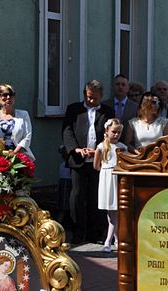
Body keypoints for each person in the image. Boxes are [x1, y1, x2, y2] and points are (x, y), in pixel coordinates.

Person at [62, 79, 115, 245]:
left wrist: (99, 149)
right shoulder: (74, 109)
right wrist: (76, 149)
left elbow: (111, 134)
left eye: (95, 98)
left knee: (95, 195)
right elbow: (67, 131)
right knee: (77, 195)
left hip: (98, 160)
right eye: (89, 97)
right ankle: (78, 231)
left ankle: (95, 232)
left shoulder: (107, 111)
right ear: (85, 94)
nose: (91, 100)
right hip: (79, 159)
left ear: (101, 96)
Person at [94, 118, 125, 253]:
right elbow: (96, 165)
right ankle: (116, 239)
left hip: (117, 178)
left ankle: (108, 241)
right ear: (107, 130)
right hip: (107, 178)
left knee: (115, 212)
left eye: (119, 132)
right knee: (111, 211)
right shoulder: (101, 147)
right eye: (114, 132)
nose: (116, 135)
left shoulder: (122, 147)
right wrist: (106, 171)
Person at [0, 84, 34, 159]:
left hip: (20, 157)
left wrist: (13, 154)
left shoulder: (24, 115)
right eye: (5, 95)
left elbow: (27, 138)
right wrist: (3, 155)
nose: (8, 97)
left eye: (11, 95)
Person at [103, 74, 138, 141]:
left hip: (128, 143)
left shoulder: (135, 107)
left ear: (128, 88)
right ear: (113, 87)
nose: (120, 87)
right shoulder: (105, 105)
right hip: (108, 142)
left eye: (123, 85)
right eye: (117, 84)